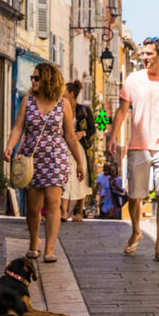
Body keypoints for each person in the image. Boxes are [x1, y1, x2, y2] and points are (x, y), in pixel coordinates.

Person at [106, 37, 159, 262]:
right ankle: (136, 231)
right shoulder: (133, 79)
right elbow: (122, 110)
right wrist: (112, 137)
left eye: (149, 54)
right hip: (138, 144)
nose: (144, 58)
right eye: (142, 54)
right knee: (135, 195)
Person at [3, 62, 86, 263]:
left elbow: (69, 135)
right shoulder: (27, 101)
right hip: (32, 157)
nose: (33, 81)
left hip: (56, 157)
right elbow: (18, 127)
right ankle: (34, 241)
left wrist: (80, 162)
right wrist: (10, 146)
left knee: (53, 202)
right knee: (32, 207)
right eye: (32, 77)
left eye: (36, 78)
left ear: (48, 79)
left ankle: (49, 248)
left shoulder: (68, 105)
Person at [62, 81, 94, 222]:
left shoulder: (84, 110)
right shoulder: (61, 107)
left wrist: (82, 133)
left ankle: (79, 211)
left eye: (64, 92)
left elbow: (92, 129)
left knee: (80, 178)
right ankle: (64, 211)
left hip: (79, 147)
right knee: (66, 176)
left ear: (71, 94)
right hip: (65, 145)